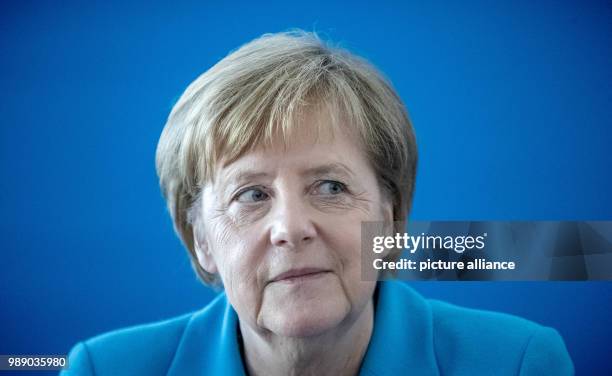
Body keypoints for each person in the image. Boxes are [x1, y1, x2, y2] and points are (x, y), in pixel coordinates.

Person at [62, 30, 574, 375]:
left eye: (330, 187)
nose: (291, 227)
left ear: (391, 219)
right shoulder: (102, 368)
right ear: (202, 242)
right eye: (252, 195)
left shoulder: (519, 362)